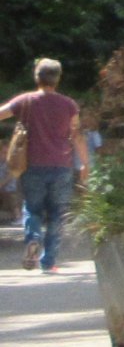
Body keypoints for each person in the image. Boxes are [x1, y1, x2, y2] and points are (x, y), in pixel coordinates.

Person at [0, 60, 88, 273]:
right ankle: (48, 262)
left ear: (36, 77)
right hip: (61, 166)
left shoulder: (25, 101)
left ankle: (33, 238)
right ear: (57, 79)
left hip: (32, 166)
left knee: (32, 208)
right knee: (58, 213)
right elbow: (76, 135)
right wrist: (85, 163)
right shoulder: (69, 105)